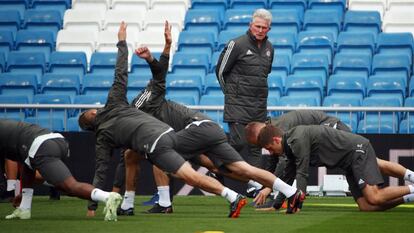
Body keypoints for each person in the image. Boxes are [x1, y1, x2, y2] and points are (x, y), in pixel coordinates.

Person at [117, 20, 305, 215]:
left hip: (197, 128)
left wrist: (163, 48)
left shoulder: (139, 106)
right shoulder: (137, 114)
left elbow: (159, 73)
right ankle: (291, 191)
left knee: (159, 151)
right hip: (207, 128)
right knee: (239, 168)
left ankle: (174, 202)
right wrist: (164, 47)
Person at [78, 22, 248, 218]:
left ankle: (233, 196)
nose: (95, 108)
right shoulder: (116, 103)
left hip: (157, 142)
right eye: (92, 109)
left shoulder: (104, 136)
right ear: (91, 115)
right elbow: (121, 71)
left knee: (190, 175)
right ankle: (128, 205)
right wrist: (122, 42)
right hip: (167, 133)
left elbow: (101, 171)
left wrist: (92, 206)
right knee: (131, 156)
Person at [246, 110, 414, 209]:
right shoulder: (275, 135)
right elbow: (286, 168)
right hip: (344, 158)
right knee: (367, 206)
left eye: (264, 146)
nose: (268, 151)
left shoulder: (283, 131)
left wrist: (270, 188)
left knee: (373, 167)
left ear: (265, 134)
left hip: (337, 133)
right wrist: (276, 202)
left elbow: (295, 169)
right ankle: (410, 195)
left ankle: (412, 179)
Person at [0, 119, 122, 221]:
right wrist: (23, 196)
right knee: (56, 182)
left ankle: (107, 196)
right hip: (56, 140)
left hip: (41, 146)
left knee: (70, 186)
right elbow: (28, 168)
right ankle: (24, 209)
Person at [215, 8, 274, 171]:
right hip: (238, 105)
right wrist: (231, 95)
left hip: (259, 107)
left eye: (264, 27)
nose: (260, 30)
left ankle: (253, 186)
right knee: (239, 142)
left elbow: (264, 74)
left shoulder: (270, 48)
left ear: (269, 28)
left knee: (256, 147)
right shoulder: (237, 44)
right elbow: (220, 71)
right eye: (257, 26)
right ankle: (216, 167)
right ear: (250, 25)